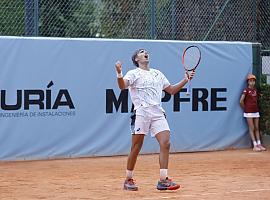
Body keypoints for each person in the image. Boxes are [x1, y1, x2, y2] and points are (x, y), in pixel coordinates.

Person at [115, 49, 195, 191]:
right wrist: (119, 73)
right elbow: (122, 86)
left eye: (146, 51)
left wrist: (186, 79)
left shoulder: (158, 73)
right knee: (136, 147)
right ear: (136, 59)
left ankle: (163, 180)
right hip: (141, 112)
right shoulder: (133, 73)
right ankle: (128, 179)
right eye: (141, 52)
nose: (145, 53)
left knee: (166, 143)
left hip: (158, 112)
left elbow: (171, 90)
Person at [240, 74, 266, 152]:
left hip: (256, 111)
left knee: (257, 128)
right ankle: (254, 145)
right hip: (248, 112)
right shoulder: (246, 90)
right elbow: (241, 101)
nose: (252, 82)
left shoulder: (255, 90)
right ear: (248, 82)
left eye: (253, 81)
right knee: (252, 128)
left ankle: (259, 144)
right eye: (250, 81)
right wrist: (245, 108)